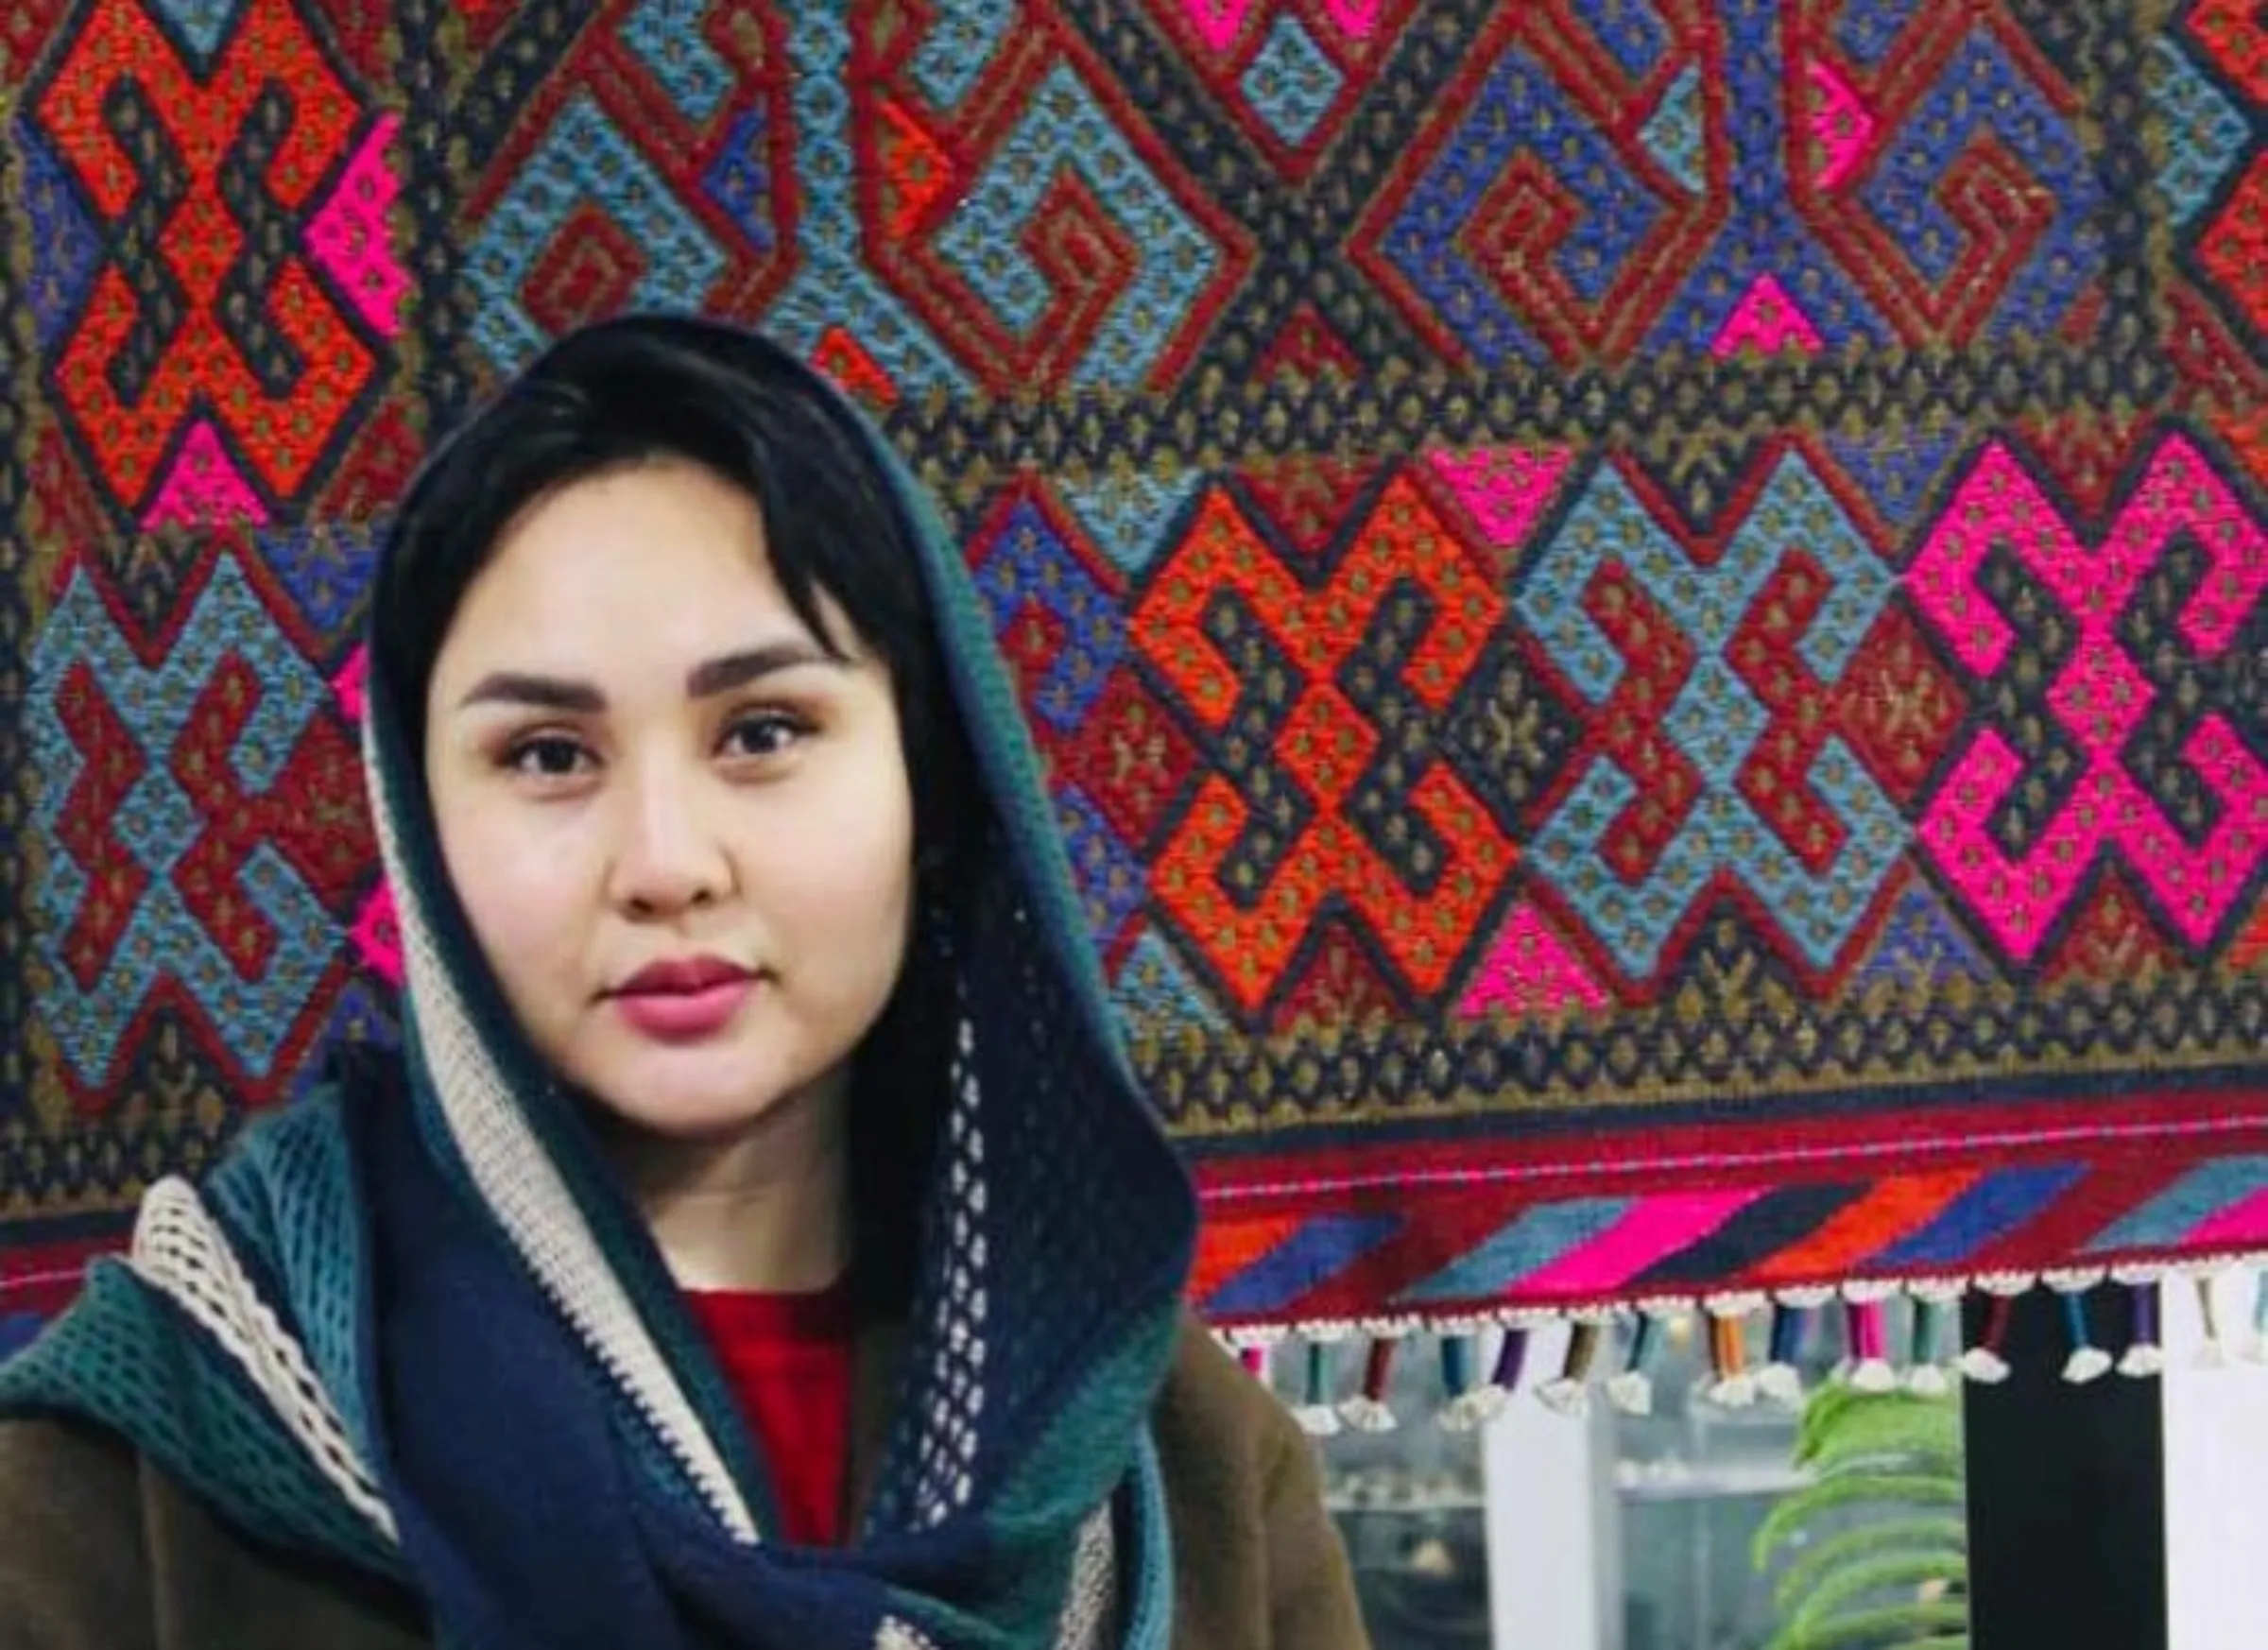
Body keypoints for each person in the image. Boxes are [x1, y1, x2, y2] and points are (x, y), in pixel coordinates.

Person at [0, 316, 1366, 1649]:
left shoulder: (1171, 1466)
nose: (663, 863)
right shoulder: (149, 1466)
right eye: (547, 754)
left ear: (931, 786)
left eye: (764, 731)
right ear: (422, 830)